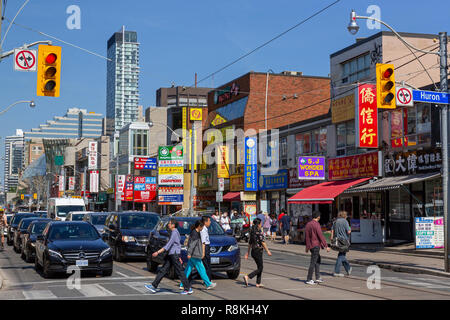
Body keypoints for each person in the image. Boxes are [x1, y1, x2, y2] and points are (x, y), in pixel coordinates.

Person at [145, 219, 193, 295]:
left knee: (179, 271)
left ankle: (187, 288)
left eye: (170, 223)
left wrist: (157, 252)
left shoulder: (174, 232)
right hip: (171, 254)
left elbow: (168, 245)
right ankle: (154, 286)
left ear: (173, 225)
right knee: (163, 270)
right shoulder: (174, 232)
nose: (168, 225)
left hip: (173, 254)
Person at [180, 220, 216, 290]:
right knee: (201, 269)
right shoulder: (195, 234)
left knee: (188, 270)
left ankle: (182, 284)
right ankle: (208, 284)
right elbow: (192, 245)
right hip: (195, 254)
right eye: (202, 227)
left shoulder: (195, 232)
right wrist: (189, 253)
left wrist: (190, 253)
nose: (202, 228)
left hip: (193, 254)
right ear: (199, 226)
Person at [243, 218, 272, 288]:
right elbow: (262, 242)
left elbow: (250, 243)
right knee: (260, 268)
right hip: (258, 251)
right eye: (261, 223)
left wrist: (247, 253)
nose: (261, 225)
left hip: (253, 251)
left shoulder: (252, 232)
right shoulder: (259, 232)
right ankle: (248, 276)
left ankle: (258, 283)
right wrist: (267, 250)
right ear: (258, 224)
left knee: (260, 267)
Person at [305, 211, 330, 285]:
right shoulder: (317, 224)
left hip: (311, 246)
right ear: (318, 217)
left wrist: (307, 247)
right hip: (316, 245)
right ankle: (309, 279)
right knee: (313, 262)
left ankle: (318, 277)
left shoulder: (308, 224)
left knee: (317, 260)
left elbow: (307, 237)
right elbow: (320, 235)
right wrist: (326, 246)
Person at [331, 211, 352, 277]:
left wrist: (331, 238)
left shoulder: (335, 221)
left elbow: (332, 230)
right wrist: (350, 228)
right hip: (344, 240)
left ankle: (348, 269)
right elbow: (348, 232)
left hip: (337, 240)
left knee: (341, 254)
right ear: (345, 215)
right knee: (341, 256)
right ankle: (337, 271)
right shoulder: (345, 221)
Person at [200, 215, 212, 281]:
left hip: (207, 247)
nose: (210, 222)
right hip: (205, 248)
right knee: (206, 266)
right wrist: (203, 252)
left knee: (205, 266)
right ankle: (208, 281)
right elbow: (203, 242)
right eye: (209, 221)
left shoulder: (205, 229)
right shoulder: (203, 230)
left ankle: (207, 280)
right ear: (205, 222)